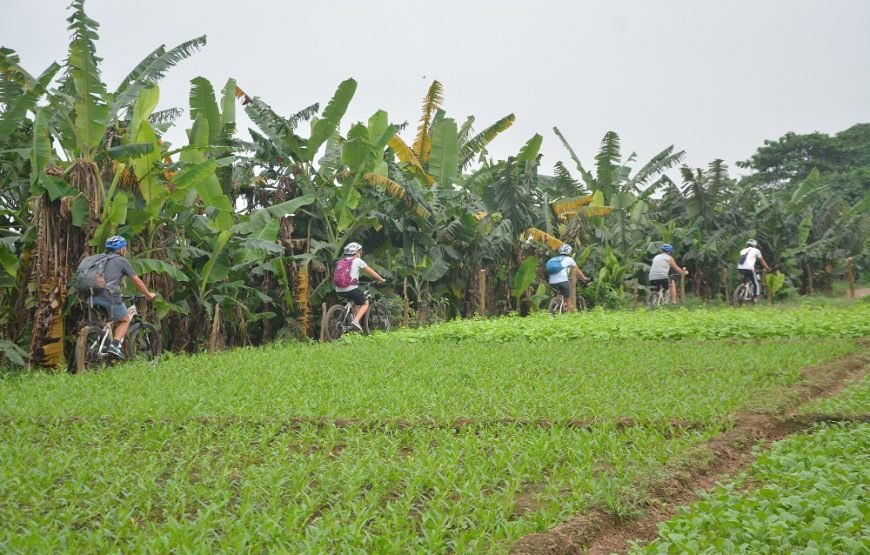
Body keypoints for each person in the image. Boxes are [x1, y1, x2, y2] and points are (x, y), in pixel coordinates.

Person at [90, 236, 157, 358]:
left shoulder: (102, 260)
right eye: (124, 248)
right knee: (125, 319)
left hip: (93, 296)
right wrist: (147, 294)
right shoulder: (121, 261)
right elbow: (137, 281)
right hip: (109, 296)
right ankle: (114, 346)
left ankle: (102, 345)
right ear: (121, 250)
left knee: (110, 320)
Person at [334, 242, 386, 332]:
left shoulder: (341, 261)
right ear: (356, 252)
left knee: (355, 303)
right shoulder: (357, 260)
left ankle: (353, 328)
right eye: (359, 251)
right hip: (350, 288)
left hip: (339, 289)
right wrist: (381, 279)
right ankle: (356, 321)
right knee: (365, 303)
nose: (360, 253)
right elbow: (371, 272)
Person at [546, 244, 589, 311]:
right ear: (569, 252)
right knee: (568, 297)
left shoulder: (552, 259)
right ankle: (569, 315)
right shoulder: (569, 259)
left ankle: (557, 303)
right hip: (562, 281)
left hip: (552, 282)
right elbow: (578, 271)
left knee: (560, 292)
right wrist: (583, 278)